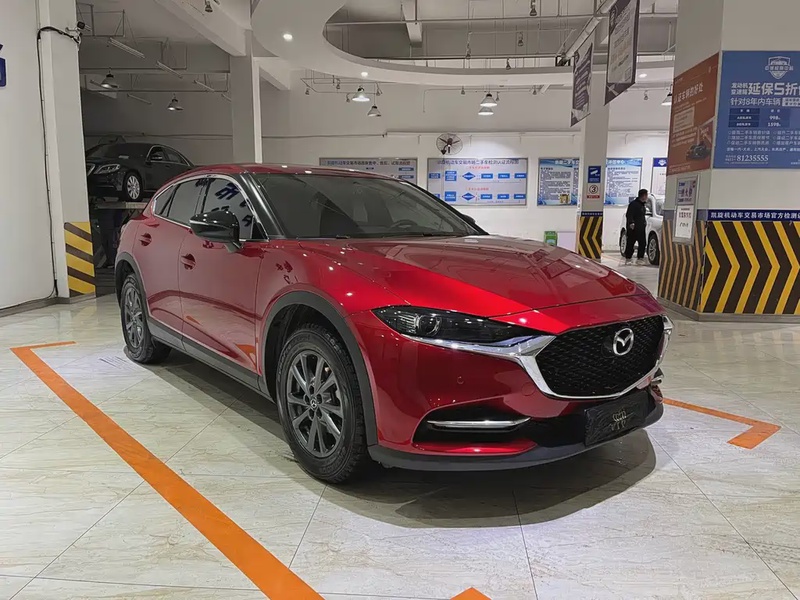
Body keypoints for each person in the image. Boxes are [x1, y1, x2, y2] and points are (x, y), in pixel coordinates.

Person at [624, 189, 649, 265]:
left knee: (642, 243)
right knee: (630, 243)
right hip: (633, 228)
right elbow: (629, 214)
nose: (647, 197)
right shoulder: (633, 204)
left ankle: (640, 258)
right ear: (643, 195)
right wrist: (631, 223)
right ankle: (628, 258)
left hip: (641, 228)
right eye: (646, 195)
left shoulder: (642, 205)